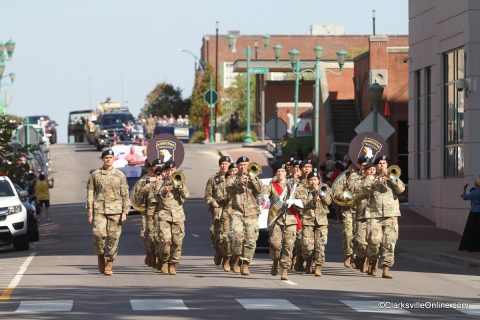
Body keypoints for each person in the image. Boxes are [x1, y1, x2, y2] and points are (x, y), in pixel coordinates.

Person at [86, 149, 130, 276]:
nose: (108, 159)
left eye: (110, 157)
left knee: (113, 238)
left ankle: (109, 261)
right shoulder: (95, 175)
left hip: (115, 211)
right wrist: (90, 212)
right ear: (102, 159)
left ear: (113, 159)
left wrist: (125, 211)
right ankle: (100, 255)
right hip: (99, 209)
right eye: (106, 157)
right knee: (98, 235)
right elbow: (90, 193)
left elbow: (125, 194)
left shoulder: (120, 175)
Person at [363, 155, 405, 279]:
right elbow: (364, 190)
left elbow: (401, 189)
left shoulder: (393, 176)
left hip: (391, 214)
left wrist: (392, 179)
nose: (382, 166)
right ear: (376, 166)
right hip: (374, 214)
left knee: (389, 242)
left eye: (384, 163)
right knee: (374, 241)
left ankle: (386, 268)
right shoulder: (370, 178)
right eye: (380, 163)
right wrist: (376, 182)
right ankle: (373, 261)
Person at [227, 156, 264, 275]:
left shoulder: (255, 178)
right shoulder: (232, 178)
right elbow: (228, 188)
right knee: (237, 237)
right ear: (237, 166)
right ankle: (236, 259)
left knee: (251, 240)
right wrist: (239, 182)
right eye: (241, 165)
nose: (243, 167)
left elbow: (260, 190)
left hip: (252, 213)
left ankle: (246, 264)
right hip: (236, 212)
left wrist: (252, 179)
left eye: (245, 165)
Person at [155, 160, 189, 275]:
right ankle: (164, 261)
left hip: (178, 216)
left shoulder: (180, 180)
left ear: (175, 170)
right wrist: (165, 190)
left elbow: (186, 195)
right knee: (165, 240)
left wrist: (179, 186)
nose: (170, 172)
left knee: (177, 242)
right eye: (168, 170)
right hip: (164, 215)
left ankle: (173, 264)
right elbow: (157, 197)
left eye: (172, 170)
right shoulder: (161, 182)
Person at [297, 171, 332, 277]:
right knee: (307, 246)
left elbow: (329, 202)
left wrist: (320, 193)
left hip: (321, 221)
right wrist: (312, 201)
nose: (313, 182)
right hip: (308, 220)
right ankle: (308, 260)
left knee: (320, 246)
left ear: (319, 180)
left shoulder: (325, 188)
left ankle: (318, 266)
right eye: (311, 180)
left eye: (315, 179)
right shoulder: (303, 190)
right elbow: (301, 204)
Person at [204, 156, 231, 270]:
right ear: (219, 165)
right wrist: (213, 202)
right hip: (218, 210)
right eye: (222, 163)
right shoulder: (213, 179)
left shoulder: (234, 178)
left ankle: (227, 259)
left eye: (226, 163)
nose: (224, 166)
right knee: (215, 234)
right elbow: (207, 196)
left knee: (226, 236)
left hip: (230, 210)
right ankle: (218, 251)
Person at [459, 176, 480, 252]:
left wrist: (464, 190)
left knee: (472, 230)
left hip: (474, 212)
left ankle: (471, 246)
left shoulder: (474, 192)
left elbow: (465, 197)